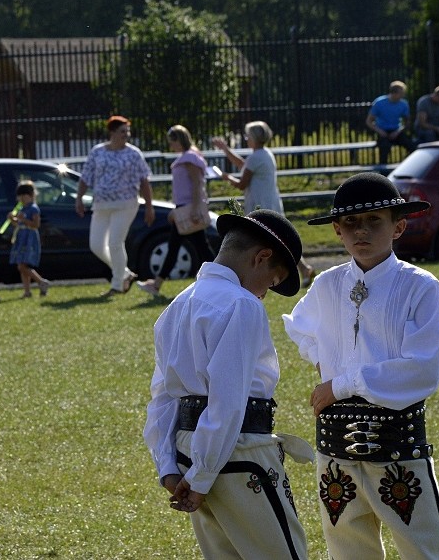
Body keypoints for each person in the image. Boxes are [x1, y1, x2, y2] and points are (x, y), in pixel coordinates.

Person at [282, 172, 439, 560]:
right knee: (348, 549)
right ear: (336, 231)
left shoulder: (419, 285)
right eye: (350, 223)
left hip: (396, 444)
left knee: (423, 549)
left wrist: (341, 384)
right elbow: (303, 330)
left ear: (399, 226)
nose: (361, 232)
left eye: (374, 221)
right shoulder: (327, 284)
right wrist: (324, 364)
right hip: (335, 443)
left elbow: (423, 367)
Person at [143, 208, 314, 560]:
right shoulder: (241, 304)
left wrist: (168, 467)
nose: (264, 293)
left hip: (189, 451)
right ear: (261, 257)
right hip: (237, 450)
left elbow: (163, 397)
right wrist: (204, 475)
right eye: (270, 281)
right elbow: (228, 401)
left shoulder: (176, 305)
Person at [213, 121, 316, 287]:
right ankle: (304, 268)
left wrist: (225, 177)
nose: (247, 139)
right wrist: (225, 150)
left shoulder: (256, 157)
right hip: (270, 200)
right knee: (281, 240)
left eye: (248, 136)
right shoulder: (264, 154)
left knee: (267, 241)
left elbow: (241, 183)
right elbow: (243, 165)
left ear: (254, 137)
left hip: (261, 204)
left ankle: (292, 270)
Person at [75, 115, 155, 297]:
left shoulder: (134, 154)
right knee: (96, 245)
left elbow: (144, 181)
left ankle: (117, 285)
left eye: (127, 131)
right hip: (101, 204)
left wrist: (149, 207)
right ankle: (125, 273)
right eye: (122, 131)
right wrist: (79, 198)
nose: (126, 135)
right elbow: (85, 177)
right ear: (112, 132)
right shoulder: (97, 151)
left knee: (115, 243)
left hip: (126, 204)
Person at [137, 125, 214, 297]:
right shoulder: (189, 157)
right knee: (190, 247)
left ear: (179, 140)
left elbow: (196, 185)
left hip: (188, 208)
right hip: (185, 207)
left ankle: (157, 284)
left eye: (172, 141)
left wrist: (193, 209)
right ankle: (156, 284)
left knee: (197, 248)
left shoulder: (190, 158)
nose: (171, 146)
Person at [8, 181, 50, 298]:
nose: (21, 198)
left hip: (29, 238)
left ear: (31, 195)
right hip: (21, 237)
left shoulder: (33, 209)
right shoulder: (22, 208)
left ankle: (41, 282)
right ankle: (27, 291)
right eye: (19, 196)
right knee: (22, 265)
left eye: (23, 195)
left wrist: (24, 220)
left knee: (23, 266)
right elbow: (18, 223)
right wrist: (13, 219)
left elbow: (36, 224)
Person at [366, 81, 417, 164]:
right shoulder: (379, 102)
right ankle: (383, 174)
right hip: (382, 131)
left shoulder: (403, 104)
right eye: (401, 93)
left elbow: (407, 122)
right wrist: (380, 131)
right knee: (384, 148)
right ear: (394, 93)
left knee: (412, 146)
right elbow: (369, 121)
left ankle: (410, 167)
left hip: (397, 131)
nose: (403, 96)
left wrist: (398, 131)